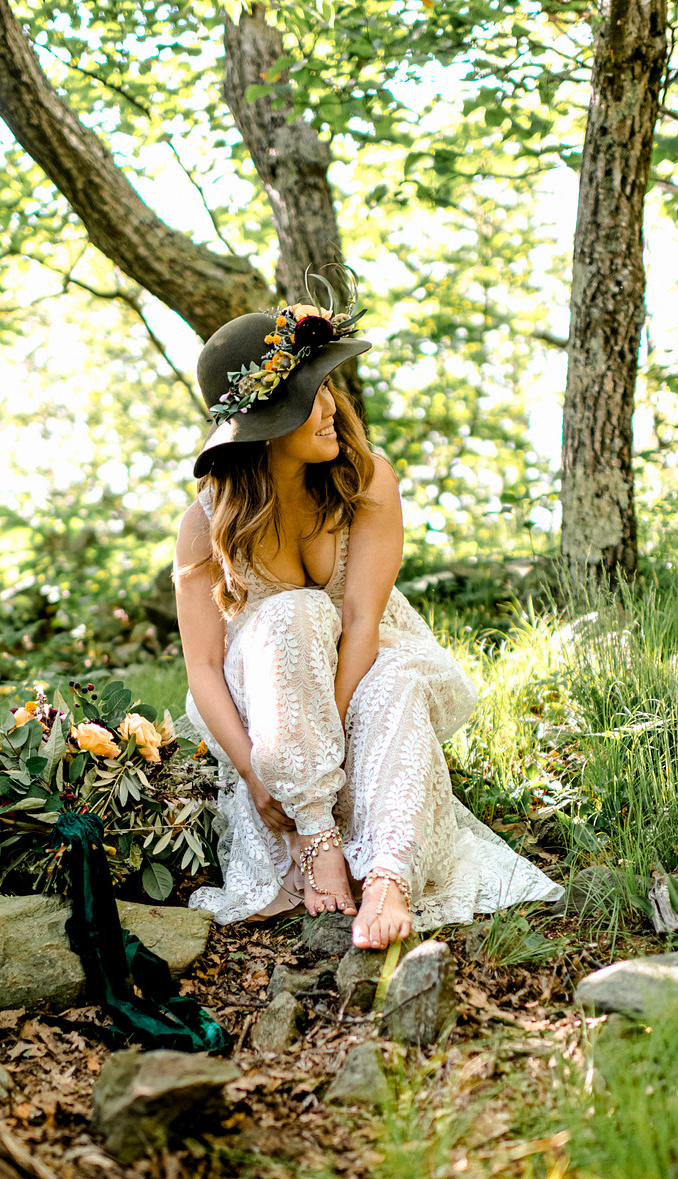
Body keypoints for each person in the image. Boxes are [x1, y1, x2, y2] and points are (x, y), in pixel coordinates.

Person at [173, 289, 561, 951]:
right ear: (264, 425)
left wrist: (335, 715)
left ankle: (388, 877)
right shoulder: (206, 521)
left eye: (325, 387)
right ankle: (318, 839)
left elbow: (360, 616)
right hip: (265, 697)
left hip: (360, 656)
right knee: (289, 612)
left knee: (395, 683)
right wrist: (252, 770)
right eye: (306, 398)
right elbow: (204, 666)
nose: (328, 407)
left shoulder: (367, 478)